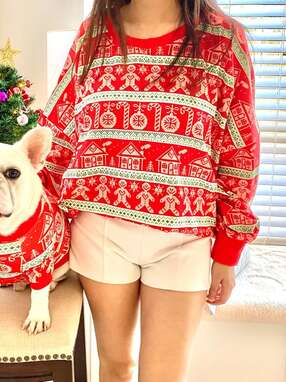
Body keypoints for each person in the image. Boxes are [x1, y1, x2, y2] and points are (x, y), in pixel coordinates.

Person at [38, 0, 260, 380]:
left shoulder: (223, 40)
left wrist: (229, 249)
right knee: (115, 366)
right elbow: (58, 133)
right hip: (100, 230)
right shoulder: (92, 35)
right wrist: (35, 231)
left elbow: (239, 148)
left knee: (163, 376)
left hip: (184, 238)